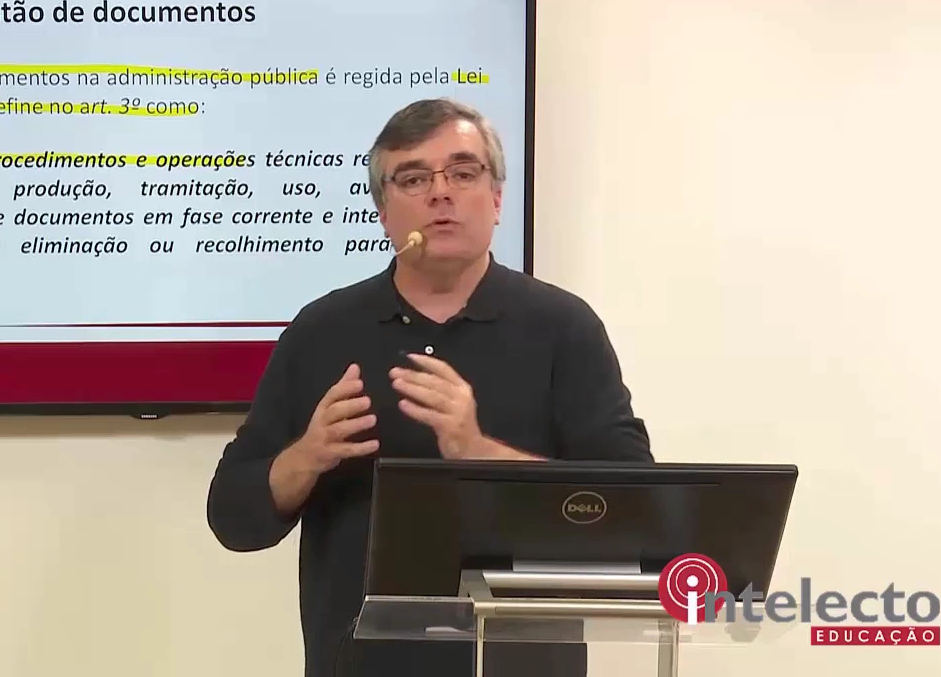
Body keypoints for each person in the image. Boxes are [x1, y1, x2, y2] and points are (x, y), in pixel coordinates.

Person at [206, 98, 654, 677]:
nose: (440, 193)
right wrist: (306, 457)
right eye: (414, 178)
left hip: (523, 662)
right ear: (383, 211)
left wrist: (478, 452)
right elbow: (231, 516)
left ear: (497, 199)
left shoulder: (562, 327)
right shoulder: (322, 330)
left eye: (463, 173)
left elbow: (628, 508)